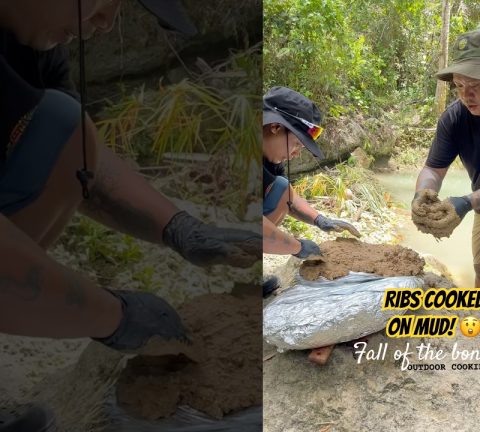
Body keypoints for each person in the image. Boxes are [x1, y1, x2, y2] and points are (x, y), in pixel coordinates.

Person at [0, 1, 260, 429]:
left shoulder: (34, 45)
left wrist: (180, 229)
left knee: (61, 125)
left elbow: (80, 162)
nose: (106, 22)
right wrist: (114, 317)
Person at [413, 28, 480, 310]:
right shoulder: (453, 119)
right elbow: (434, 168)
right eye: (459, 85)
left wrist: (468, 201)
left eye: (475, 84)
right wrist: (423, 193)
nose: (467, 95)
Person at [262, 86, 360, 296]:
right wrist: (297, 247)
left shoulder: (270, 155)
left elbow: (287, 197)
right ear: (275, 127)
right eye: (297, 143)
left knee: (280, 187)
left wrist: (320, 220)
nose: (297, 153)